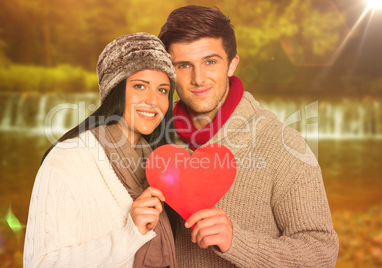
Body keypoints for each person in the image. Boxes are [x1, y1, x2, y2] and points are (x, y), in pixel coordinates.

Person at [158, 5, 339, 267]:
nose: (198, 79)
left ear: (232, 64)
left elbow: (321, 254)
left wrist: (236, 242)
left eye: (210, 62)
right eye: (184, 65)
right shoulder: (155, 142)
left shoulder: (282, 144)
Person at [23, 33, 177, 267]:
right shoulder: (67, 159)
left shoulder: (158, 166)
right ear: (114, 91)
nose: (153, 101)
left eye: (163, 90)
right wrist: (129, 235)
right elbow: (40, 263)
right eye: (139, 86)